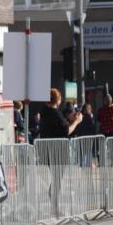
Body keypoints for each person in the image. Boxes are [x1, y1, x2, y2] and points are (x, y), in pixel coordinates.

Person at [38, 88, 81, 217]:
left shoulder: (45, 112)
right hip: (57, 152)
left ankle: (54, 207)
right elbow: (65, 131)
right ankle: (55, 209)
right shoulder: (55, 113)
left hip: (47, 151)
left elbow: (58, 127)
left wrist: (68, 119)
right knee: (57, 179)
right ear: (57, 100)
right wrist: (77, 122)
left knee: (56, 178)